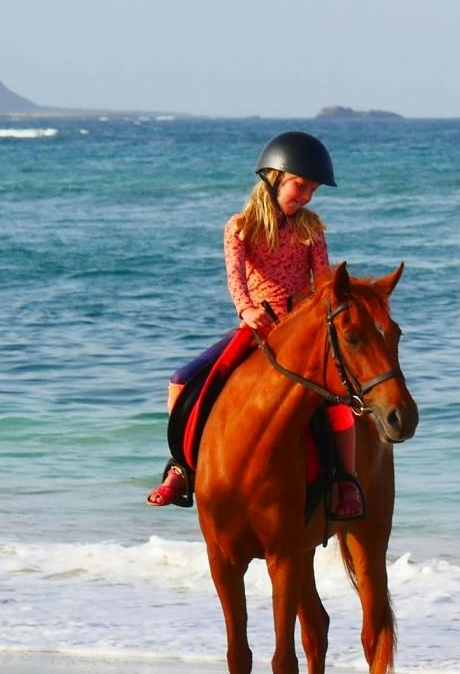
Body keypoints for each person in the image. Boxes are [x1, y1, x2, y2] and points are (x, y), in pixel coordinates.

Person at [145, 131, 367, 520]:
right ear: (274, 177)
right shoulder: (240, 226)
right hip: (256, 327)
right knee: (182, 381)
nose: (307, 196)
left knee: (337, 400)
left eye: (313, 190)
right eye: (301, 186)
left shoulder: (311, 229)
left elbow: (322, 281)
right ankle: (182, 467)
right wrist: (247, 311)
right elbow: (236, 279)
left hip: (300, 331)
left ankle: (346, 480)